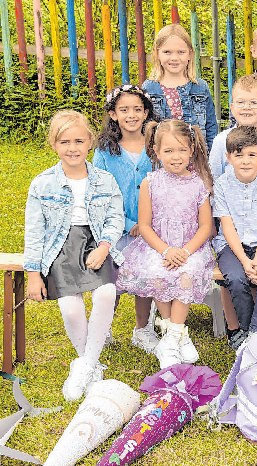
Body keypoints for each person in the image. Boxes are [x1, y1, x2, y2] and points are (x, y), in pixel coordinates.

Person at [24, 110, 124, 401]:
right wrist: (33, 274)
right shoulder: (42, 184)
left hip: (95, 243)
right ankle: (89, 364)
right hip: (61, 248)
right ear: (54, 144)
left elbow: (115, 217)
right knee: (70, 308)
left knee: (106, 293)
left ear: (90, 142)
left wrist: (105, 245)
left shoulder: (105, 180)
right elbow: (34, 231)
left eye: (79, 141)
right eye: (64, 141)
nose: (72, 148)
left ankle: (85, 367)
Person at [116, 120, 215, 369]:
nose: (176, 156)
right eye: (168, 151)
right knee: (156, 271)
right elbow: (145, 226)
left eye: (182, 149)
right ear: (156, 152)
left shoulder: (198, 183)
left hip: (191, 247)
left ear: (192, 150)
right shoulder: (151, 182)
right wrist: (166, 250)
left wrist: (184, 251)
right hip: (157, 245)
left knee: (187, 273)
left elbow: (205, 227)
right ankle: (178, 334)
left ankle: (172, 336)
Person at [94, 84, 160, 353]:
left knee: (146, 274)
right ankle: (103, 327)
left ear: (146, 113)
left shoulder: (156, 146)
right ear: (113, 114)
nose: (131, 115)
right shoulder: (105, 152)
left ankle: (143, 329)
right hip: (117, 229)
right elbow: (100, 194)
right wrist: (126, 223)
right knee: (112, 277)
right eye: (124, 110)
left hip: (151, 228)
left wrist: (146, 224)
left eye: (137, 109)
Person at [213, 126, 257, 350]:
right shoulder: (221, 185)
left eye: (252, 155)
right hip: (231, 247)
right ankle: (245, 329)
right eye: (238, 155)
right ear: (228, 157)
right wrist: (245, 261)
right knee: (235, 278)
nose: (245, 161)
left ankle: (256, 334)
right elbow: (227, 226)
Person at [142, 24, 218, 150]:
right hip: (163, 162)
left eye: (181, 52)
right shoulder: (149, 88)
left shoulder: (201, 87)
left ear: (190, 54)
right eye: (167, 52)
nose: (174, 58)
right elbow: (144, 131)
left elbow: (211, 129)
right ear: (156, 53)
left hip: (197, 161)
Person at [209, 74, 257, 178]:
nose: (246, 107)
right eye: (240, 102)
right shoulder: (221, 141)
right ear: (232, 108)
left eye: (254, 102)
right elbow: (214, 178)